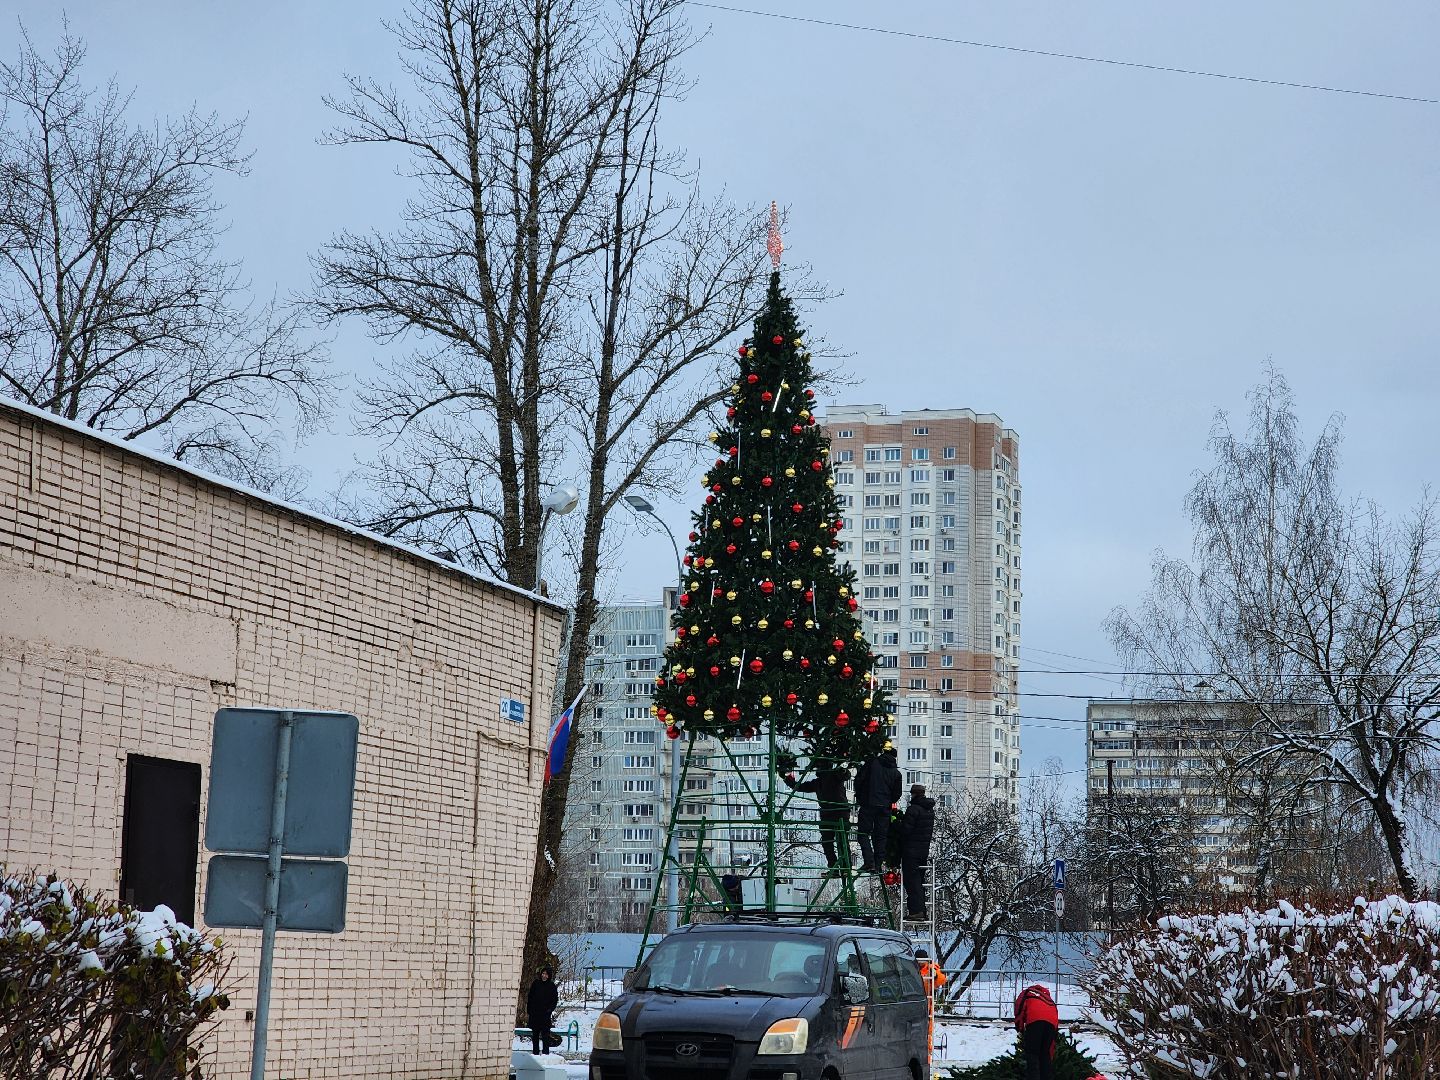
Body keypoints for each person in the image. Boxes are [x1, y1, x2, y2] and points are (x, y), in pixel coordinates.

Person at [782, 760, 852, 869]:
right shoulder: (829, 778)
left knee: (828, 842)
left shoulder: (823, 780)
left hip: (831, 814)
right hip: (839, 812)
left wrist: (787, 778)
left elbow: (799, 787)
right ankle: (845, 866)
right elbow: (845, 775)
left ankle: (835, 866)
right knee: (841, 842)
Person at [854, 744, 901, 872]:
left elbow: (859, 780)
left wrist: (860, 797)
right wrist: (888, 801)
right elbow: (897, 794)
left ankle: (869, 862)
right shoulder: (896, 773)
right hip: (884, 808)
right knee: (880, 836)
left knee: (863, 833)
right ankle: (878, 865)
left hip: (868, 804)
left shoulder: (872, 764)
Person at [900, 783, 936, 919]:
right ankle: (921, 910)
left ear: (913, 794)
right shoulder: (929, 810)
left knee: (911, 881)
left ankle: (916, 911)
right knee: (919, 881)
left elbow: (906, 830)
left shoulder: (913, 809)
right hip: (923, 851)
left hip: (911, 851)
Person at [1014, 983, 1059, 1080]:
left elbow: (1019, 1010)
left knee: (1032, 1054)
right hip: (1051, 1024)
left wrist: (1020, 1029)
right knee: (1045, 1054)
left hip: (1035, 1021)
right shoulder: (1048, 999)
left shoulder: (1027, 993)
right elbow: (1055, 1015)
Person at [915, 948, 947, 1061]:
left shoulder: (931, 969)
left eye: (922, 962)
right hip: (912, 1000)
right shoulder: (911, 967)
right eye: (919, 962)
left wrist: (935, 976)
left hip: (926, 1002)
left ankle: (926, 1058)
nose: (920, 964)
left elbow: (942, 980)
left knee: (926, 1031)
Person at [526, 966, 560, 1056]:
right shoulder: (536, 984)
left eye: (546, 974)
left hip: (545, 1015)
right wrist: (529, 1010)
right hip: (535, 1014)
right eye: (543, 973)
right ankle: (535, 1053)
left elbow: (554, 1000)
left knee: (545, 1036)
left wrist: (549, 1010)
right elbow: (530, 997)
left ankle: (545, 1054)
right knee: (535, 1035)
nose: (544, 976)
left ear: (549, 976)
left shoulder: (551, 986)